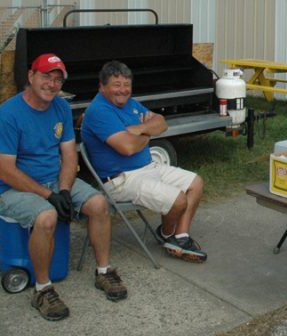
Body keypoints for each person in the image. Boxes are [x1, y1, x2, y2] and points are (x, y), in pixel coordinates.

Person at [0, 53, 127, 322]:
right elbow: (6, 171)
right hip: (12, 189)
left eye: (57, 79)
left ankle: (103, 271)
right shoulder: (7, 115)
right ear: (30, 76)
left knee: (99, 203)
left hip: (55, 182)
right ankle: (42, 290)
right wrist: (49, 196)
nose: (51, 85)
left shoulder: (61, 107)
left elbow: (69, 155)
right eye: (45, 77)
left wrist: (63, 190)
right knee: (47, 216)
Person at [80, 60, 207, 263]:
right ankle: (166, 234)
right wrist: (148, 133)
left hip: (148, 167)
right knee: (179, 200)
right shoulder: (99, 111)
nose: (123, 90)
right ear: (102, 86)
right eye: (116, 84)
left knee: (196, 183)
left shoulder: (129, 103)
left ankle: (180, 237)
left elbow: (161, 123)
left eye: (126, 85)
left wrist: (139, 130)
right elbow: (127, 148)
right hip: (121, 180)